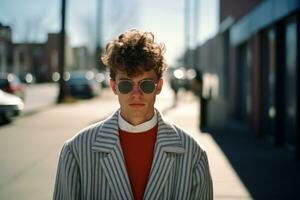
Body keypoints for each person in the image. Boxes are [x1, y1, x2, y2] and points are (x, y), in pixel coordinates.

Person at [53, 29, 213, 200]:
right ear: (114, 87)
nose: (136, 95)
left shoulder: (193, 155)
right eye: (126, 85)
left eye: (146, 85)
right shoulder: (76, 152)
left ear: (158, 86)